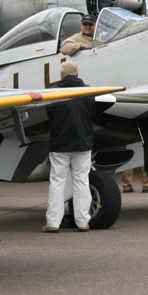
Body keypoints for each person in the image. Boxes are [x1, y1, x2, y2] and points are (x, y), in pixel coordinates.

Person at [43, 61, 96, 233]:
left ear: (61, 75)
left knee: (57, 181)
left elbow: (49, 114)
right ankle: (83, 221)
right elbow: (92, 114)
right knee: (82, 180)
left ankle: (53, 223)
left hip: (60, 143)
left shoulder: (53, 92)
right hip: (83, 142)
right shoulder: (89, 91)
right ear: (77, 74)